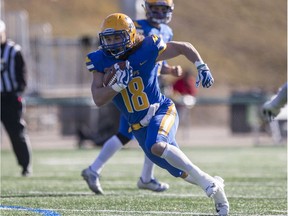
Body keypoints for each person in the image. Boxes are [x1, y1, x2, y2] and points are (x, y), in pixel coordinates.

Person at [82, 13, 229, 215]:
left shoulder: (147, 48)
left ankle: (206, 183)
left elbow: (182, 47)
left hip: (161, 109)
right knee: (179, 171)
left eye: (118, 37)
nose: (113, 42)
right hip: (138, 125)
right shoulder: (100, 61)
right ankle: (216, 187)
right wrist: (116, 86)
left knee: (158, 145)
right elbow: (98, 98)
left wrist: (201, 65)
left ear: (131, 35)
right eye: (109, 38)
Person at [81, 0, 183, 193]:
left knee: (151, 132)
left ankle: (142, 176)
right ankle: (99, 169)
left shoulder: (167, 31)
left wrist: (168, 69)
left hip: (150, 86)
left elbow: (154, 61)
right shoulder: (135, 27)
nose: (159, 13)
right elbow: (127, 56)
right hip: (132, 87)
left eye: (163, 9)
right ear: (147, 8)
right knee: (133, 133)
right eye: (155, 8)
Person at [0, 19, 32, 176]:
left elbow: (22, 74)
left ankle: (25, 165)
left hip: (11, 98)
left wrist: (18, 92)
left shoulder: (14, 51)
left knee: (16, 132)